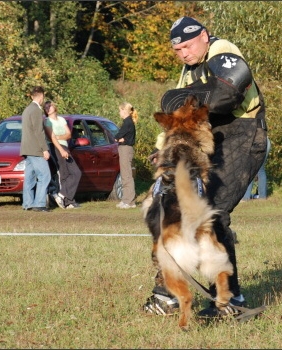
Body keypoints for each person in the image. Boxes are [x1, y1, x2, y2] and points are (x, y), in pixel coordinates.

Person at [143, 17, 269, 318]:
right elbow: (177, 116)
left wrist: (187, 97)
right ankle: (169, 294)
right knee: (166, 208)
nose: (184, 54)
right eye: (178, 50)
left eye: (187, 46)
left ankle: (230, 299)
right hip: (210, 144)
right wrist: (161, 150)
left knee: (213, 213)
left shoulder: (221, 49)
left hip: (244, 136)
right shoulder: (188, 72)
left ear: (203, 36)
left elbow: (228, 90)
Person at [43, 100, 82, 209]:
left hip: (64, 146)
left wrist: (58, 137)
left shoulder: (61, 119)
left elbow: (69, 134)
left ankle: (63, 196)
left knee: (75, 173)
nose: (48, 108)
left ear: (54, 107)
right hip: (56, 148)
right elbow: (51, 138)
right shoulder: (47, 122)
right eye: (46, 107)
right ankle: (67, 200)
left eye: (50, 105)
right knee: (65, 173)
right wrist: (60, 149)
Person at [20, 86, 51, 212]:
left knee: (29, 177)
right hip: (35, 149)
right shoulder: (36, 110)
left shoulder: (26, 110)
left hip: (26, 148)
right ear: (41, 96)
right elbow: (38, 132)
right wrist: (45, 149)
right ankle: (39, 203)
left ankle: (28, 203)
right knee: (45, 175)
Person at [114, 102, 138, 209]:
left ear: (124, 110)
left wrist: (120, 139)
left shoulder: (127, 123)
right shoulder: (128, 122)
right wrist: (121, 139)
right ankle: (126, 199)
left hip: (125, 149)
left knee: (126, 175)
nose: (119, 112)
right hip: (125, 148)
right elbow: (120, 137)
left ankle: (129, 201)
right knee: (125, 175)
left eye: (120, 110)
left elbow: (117, 136)